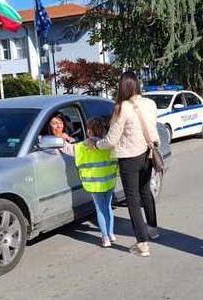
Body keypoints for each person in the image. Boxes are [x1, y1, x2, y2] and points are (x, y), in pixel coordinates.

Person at [86, 71, 160, 257]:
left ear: (122, 87)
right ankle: (152, 228)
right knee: (145, 191)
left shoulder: (122, 108)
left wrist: (96, 143)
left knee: (133, 200)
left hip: (129, 158)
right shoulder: (150, 104)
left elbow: (111, 140)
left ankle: (142, 244)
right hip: (148, 154)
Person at [62, 117, 117, 247]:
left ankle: (105, 238)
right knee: (108, 208)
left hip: (93, 183)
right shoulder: (108, 146)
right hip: (109, 181)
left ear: (89, 131)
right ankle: (111, 233)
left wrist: (62, 138)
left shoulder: (82, 146)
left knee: (100, 209)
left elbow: (66, 149)